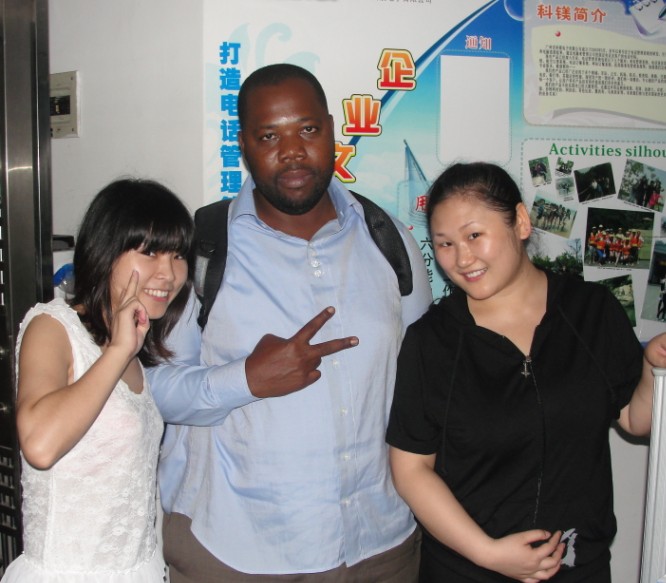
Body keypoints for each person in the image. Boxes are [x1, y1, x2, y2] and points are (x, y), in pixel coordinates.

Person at [147, 63, 432, 582]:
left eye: (307, 129)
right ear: (244, 145)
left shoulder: (389, 239)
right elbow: (152, 388)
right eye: (269, 136)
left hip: (382, 545)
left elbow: (425, 379)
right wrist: (246, 379)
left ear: (331, 130)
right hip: (240, 551)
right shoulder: (201, 247)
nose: (293, 151)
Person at [386, 162, 666, 583]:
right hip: (467, 571)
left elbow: (634, 419)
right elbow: (411, 471)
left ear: (519, 221)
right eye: (445, 243)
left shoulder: (591, 311)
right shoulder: (431, 341)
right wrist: (489, 553)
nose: (462, 258)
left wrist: (652, 370)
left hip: (579, 567)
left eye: (474, 235)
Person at [2, 179, 194, 583]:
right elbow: (40, 446)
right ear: (106, 250)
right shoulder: (53, 326)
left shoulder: (129, 343)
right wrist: (119, 351)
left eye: (178, 255)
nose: (169, 273)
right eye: (150, 252)